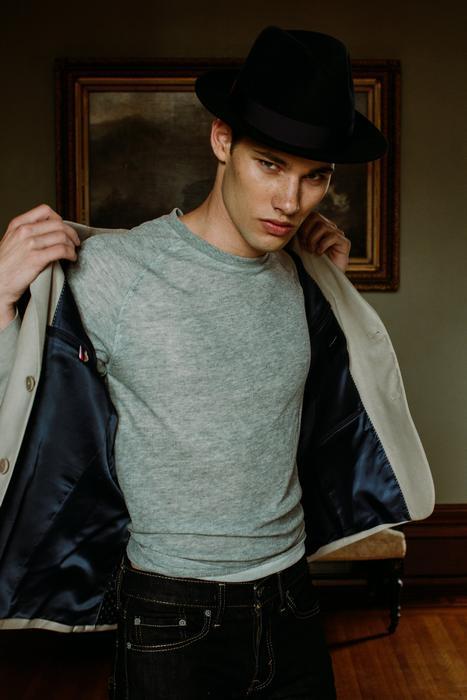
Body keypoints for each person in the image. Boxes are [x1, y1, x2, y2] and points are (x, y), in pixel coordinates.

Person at [0, 26, 434, 699]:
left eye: (314, 177)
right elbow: (21, 414)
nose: (290, 202)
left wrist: (334, 291)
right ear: (222, 141)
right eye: (270, 165)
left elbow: (323, 411)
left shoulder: (305, 277)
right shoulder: (112, 272)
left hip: (293, 598)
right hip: (170, 613)